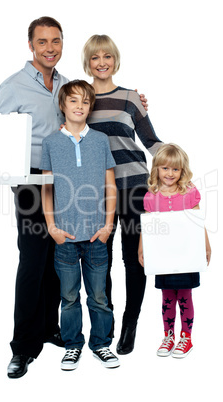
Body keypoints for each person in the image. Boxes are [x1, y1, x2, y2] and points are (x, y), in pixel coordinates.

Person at [0, 19, 147, 377]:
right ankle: (22, 347)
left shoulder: (65, 84)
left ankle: (52, 328)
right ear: (30, 45)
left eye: (56, 41)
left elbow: (92, 103)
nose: (50, 48)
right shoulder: (13, 86)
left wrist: (135, 102)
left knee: (57, 258)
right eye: (42, 42)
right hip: (32, 181)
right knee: (32, 260)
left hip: (71, 183)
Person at [82, 34, 162, 355]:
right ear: (87, 63)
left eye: (107, 57)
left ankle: (131, 322)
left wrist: (176, 163)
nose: (102, 63)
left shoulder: (130, 98)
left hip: (134, 188)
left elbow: (151, 141)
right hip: (97, 191)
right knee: (101, 259)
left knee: (134, 259)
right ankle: (107, 320)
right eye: (95, 58)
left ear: (115, 60)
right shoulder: (81, 99)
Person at [40, 79, 120, 370]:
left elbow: (109, 185)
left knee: (99, 297)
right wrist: (52, 227)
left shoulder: (100, 140)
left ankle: (101, 344)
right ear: (62, 105)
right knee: (69, 297)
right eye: (73, 100)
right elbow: (46, 188)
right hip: (65, 236)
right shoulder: (50, 142)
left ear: (90, 107)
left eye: (85, 102)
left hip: (97, 234)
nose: (79, 106)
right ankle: (73, 345)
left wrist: (108, 224)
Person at [138, 143, 211, 358]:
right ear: (157, 169)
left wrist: (206, 245)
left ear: (182, 171)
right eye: (165, 168)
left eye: (175, 169)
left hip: (187, 254)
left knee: (185, 296)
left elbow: (198, 222)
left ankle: (186, 337)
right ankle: (168, 336)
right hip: (163, 257)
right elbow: (147, 226)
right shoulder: (151, 196)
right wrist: (142, 248)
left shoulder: (189, 192)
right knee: (167, 297)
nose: (170, 174)